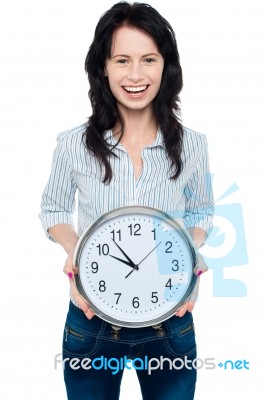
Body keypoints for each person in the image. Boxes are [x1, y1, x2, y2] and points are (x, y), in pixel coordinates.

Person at [39, 2, 214, 399]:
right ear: (103, 66)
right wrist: (75, 248)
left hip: (171, 317)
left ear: (165, 66)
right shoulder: (72, 145)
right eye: (122, 60)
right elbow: (52, 209)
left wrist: (188, 249)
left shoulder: (193, 146)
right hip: (91, 316)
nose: (135, 75)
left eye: (148, 59)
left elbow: (202, 210)